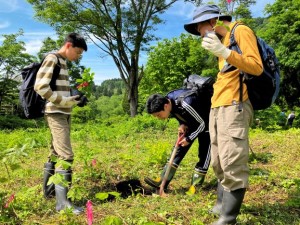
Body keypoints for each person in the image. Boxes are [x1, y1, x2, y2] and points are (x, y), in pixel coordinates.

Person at [184, 4, 263, 225]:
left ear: (211, 22)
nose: (199, 32)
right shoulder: (224, 40)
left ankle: (228, 219)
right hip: (219, 106)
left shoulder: (240, 31)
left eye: (199, 27)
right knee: (218, 159)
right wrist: (222, 52)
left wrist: (225, 53)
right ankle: (221, 205)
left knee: (232, 160)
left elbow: (256, 67)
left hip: (235, 104)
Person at [34, 33, 88, 214]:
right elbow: (40, 86)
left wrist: (75, 97)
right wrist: (63, 102)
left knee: (56, 154)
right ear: (68, 45)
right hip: (56, 113)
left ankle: (50, 194)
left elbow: (56, 88)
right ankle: (62, 204)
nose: (78, 56)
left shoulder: (62, 63)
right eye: (78, 52)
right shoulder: (53, 58)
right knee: (66, 156)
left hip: (63, 112)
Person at [145, 87, 211, 194]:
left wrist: (189, 138)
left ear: (166, 106)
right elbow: (180, 114)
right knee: (178, 150)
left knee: (204, 154)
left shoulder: (186, 103)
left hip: (208, 124)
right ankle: (163, 181)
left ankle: (195, 186)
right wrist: (181, 123)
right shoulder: (169, 100)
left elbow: (202, 123)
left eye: (158, 115)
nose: (158, 118)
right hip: (193, 124)